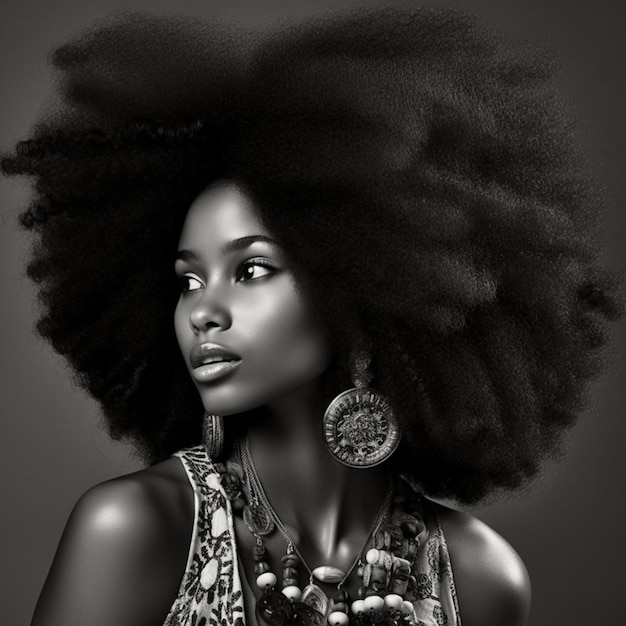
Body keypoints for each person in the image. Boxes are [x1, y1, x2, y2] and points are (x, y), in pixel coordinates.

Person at [1, 7, 621, 626]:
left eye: (250, 271)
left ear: (358, 285)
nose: (203, 312)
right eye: (189, 280)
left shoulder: (481, 577)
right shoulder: (137, 531)